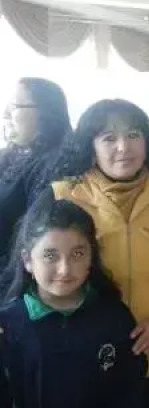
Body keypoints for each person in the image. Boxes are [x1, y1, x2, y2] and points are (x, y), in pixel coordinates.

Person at [41, 99, 149, 408]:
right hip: (84, 356)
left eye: (133, 135)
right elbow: (36, 276)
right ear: (91, 146)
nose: (123, 147)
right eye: (108, 138)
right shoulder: (63, 196)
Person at [0, 196, 145, 408]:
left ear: (91, 257)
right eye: (50, 255)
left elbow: (130, 392)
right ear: (28, 260)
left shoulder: (115, 318)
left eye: (77, 254)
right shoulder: (8, 327)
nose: (65, 269)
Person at [0, 78, 71, 279]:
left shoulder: (56, 165)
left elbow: (34, 236)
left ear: (44, 113)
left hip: (16, 278)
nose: (5, 113)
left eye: (15, 106)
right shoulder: (10, 155)